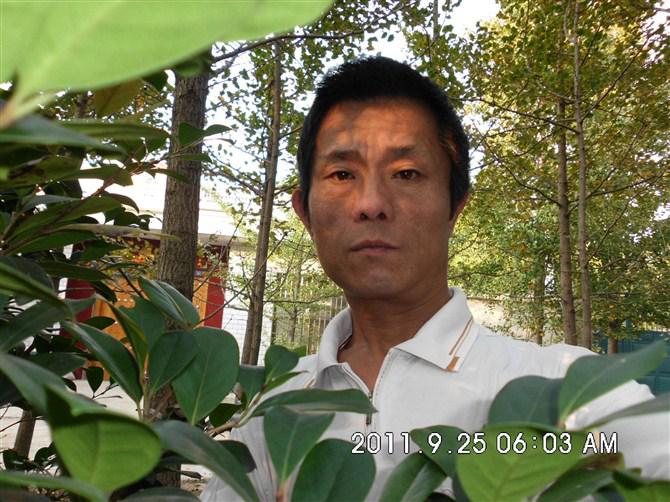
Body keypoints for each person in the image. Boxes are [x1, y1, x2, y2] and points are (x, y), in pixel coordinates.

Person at [202, 56, 669, 501]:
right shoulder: (272, 409)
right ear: (305, 211)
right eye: (342, 173)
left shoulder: (564, 393)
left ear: (455, 206)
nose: (371, 203)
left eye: (406, 173)